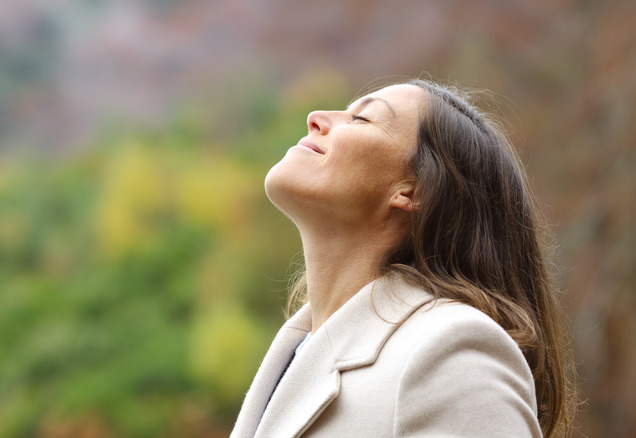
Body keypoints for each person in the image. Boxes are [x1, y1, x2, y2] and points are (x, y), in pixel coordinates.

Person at [231, 79, 575, 437]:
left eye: (362, 119)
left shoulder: (451, 353)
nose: (315, 118)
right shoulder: (293, 354)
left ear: (415, 190)